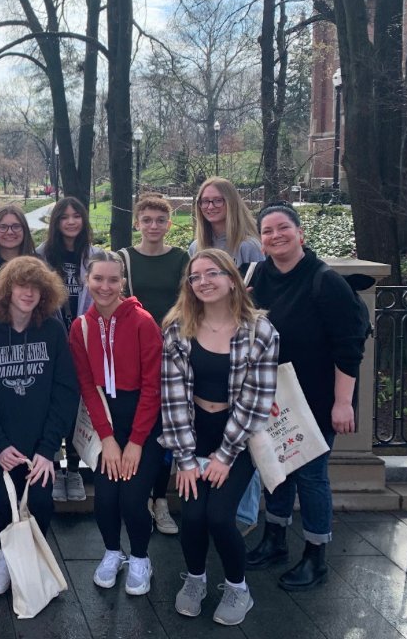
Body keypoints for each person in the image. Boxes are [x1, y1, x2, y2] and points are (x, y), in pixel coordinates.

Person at [245, 203, 368, 592]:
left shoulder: (323, 281)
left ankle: (316, 556)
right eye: (267, 231)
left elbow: (348, 346)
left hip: (316, 398)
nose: (276, 236)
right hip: (274, 397)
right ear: (261, 242)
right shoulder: (260, 276)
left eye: (283, 228)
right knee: (276, 470)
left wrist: (343, 402)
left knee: (312, 477)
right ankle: (275, 540)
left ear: (300, 234)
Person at [160, 249, 279, 626]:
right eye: (195, 277)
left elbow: (256, 401)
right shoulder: (178, 328)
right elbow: (173, 396)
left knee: (219, 516)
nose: (204, 282)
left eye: (213, 274)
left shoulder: (260, 331)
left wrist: (225, 456)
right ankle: (195, 579)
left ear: (232, 279)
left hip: (238, 436)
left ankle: (237, 587)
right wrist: (184, 457)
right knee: (192, 515)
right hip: (193, 430)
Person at [0, 256, 77, 597]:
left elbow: (65, 390)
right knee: (4, 503)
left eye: (35, 287)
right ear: (7, 289)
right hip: (1, 442)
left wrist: (48, 449)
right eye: (21, 285)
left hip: (40, 443)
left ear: (45, 292)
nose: (28, 293)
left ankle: (35, 554)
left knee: (42, 503)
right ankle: (6, 553)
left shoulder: (53, 330)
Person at [69, 252, 162, 596]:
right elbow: (87, 388)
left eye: (113, 280)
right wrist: (107, 439)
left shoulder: (143, 322)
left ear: (122, 282)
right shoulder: (80, 327)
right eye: (98, 279)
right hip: (105, 420)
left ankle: (140, 557)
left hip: (144, 421)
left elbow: (154, 387)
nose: (105, 286)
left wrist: (136, 441)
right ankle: (112, 551)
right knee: (105, 499)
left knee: (133, 498)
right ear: (87, 281)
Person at [188, 177, 265, 534]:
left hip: (241, 344)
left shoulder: (248, 247)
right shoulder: (196, 246)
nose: (211, 207)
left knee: (245, 428)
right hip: (208, 340)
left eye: (217, 200)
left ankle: (244, 515)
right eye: (205, 201)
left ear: (231, 202)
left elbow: (260, 299)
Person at [119, 193, 189, 537]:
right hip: (134, 352)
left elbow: (189, 302)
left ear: (169, 224)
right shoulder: (124, 259)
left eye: (160, 220)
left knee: (164, 430)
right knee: (137, 426)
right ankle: (139, 496)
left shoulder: (180, 258)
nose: (153, 226)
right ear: (137, 223)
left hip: (172, 352)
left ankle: (160, 499)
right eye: (147, 220)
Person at [37, 196, 104, 502]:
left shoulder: (95, 255)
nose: (71, 222)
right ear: (56, 223)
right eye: (64, 217)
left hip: (87, 340)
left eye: (77, 216)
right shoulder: (42, 256)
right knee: (53, 403)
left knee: (81, 403)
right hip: (52, 340)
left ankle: (74, 470)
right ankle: (51, 465)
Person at [0, 205, 37, 281]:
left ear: (25, 230)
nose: (10, 232)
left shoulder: (37, 264)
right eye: (3, 227)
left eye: (16, 226)